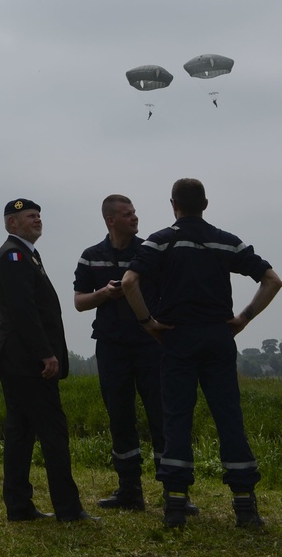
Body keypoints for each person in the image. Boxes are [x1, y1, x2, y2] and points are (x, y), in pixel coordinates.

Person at [122, 178, 282, 528]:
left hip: (177, 339)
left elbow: (129, 282)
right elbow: (272, 280)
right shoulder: (226, 241)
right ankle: (245, 507)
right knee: (229, 418)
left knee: (177, 418)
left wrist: (148, 322)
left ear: (173, 204)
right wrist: (243, 319)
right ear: (205, 204)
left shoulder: (161, 241)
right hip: (218, 337)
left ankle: (175, 506)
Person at [0, 199, 94, 522]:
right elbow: (24, 311)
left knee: (21, 432)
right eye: (30, 216)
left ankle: (19, 506)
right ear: (12, 224)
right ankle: (69, 509)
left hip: (18, 358)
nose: (38, 220)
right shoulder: (14, 255)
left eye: (39, 216)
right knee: (52, 431)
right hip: (26, 360)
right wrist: (45, 353)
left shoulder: (27, 255)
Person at [73, 194, 170, 512]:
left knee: (162, 416)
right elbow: (79, 302)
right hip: (112, 348)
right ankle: (130, 491)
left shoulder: (149, 253)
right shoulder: (90, 257)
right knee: (120, 418)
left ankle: (174, 492)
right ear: (110, 220)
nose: (135, 217)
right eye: (127, 214)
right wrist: (104, 293)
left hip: (150, 347)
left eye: (135, 213)